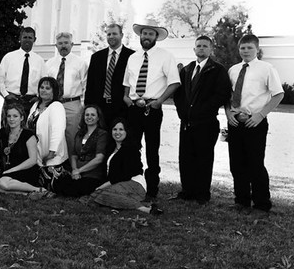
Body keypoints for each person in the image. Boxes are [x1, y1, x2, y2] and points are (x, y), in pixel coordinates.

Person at [225, 34, 284, 216]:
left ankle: (261, 204)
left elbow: (278, 94)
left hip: (255, 122)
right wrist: (228, 113)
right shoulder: (233, 70)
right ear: (239, 49)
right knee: (236, 164)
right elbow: (227, 96)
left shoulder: (267, 68)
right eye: (243, 48)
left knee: (255, 164)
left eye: (249, 48)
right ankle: (241, 201)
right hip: (235, 122)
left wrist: (260, 115)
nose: (246, 51)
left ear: (257, 49)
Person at [122, 23, 180, 200]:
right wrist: (126, 98)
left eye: (150, 34)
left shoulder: (165, 56)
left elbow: (175, 82)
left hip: (152, 108)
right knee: (132, 146)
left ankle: (152, 188)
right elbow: (126, 83)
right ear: (140, 36)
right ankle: (136, 183)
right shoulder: (133, 57)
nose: (146, 36)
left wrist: (160, 101)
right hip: (133, 108)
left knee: (152, 149)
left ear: (156, 37)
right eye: (144, 33)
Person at [173, 36, 231, 204]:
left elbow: (222, 94)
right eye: (199, 46)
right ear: (194, 49)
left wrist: (202, 110)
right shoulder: (187, 69)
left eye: (205, 46)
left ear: (210, 49)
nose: (201, 48)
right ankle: (187, 191)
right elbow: (179, 94)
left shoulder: (217, 70)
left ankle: (202, 194)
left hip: (206, 123)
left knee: (203, 159)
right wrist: (183, 112)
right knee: (185, 157)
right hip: (186, 122)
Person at [90, 118, 162, 215]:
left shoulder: (131, 148)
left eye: (121, 129)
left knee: (104, 194)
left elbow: (126, 174)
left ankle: (146, 209)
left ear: (126, 131)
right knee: (94, 197)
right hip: (117, 183)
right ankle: (136, 203)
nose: (117, 132)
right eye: (114, 129)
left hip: (134, 183)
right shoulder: (110, 148)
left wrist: (105, 185)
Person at [0, 102, 41, 194]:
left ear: (22, 118)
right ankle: (22, 193)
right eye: (9, 116)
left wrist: (12, 170)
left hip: (25, 171)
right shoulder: (3, 134)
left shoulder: (28, 135)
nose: (11, 119)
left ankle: (38, 190)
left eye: (15, 116)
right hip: (8, 173)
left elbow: (33, 160)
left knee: (3, 183)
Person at [45, 32, 88, 154]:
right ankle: (55, 165)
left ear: (72, 44)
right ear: (56, 45)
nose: (63, 46)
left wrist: (83, 106)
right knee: (54, 135)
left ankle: (71, 166)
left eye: (66, 43)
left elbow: (85, 85)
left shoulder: (80, 63)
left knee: (72, 137)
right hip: (53, 104)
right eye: (60, 43)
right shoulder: (49, 63)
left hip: (73, 105)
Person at [84, 23, 135, 126]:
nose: (111, 36)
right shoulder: (96, 57)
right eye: (109, 34)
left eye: (114, 34)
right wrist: (88, 106)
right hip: (99, 108)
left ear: (121, 35)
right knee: (101, 139)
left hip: (122, 108)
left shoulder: (132, 56)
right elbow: (90, 84)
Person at [53, 105, 109, 196]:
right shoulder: (80, 134)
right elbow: (74, 155)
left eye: (93, 115)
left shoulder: (102, 134)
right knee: (59, 184)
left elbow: (99, 158)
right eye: (87, 115)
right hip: (77, 173)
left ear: (98, 118)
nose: (89, 117)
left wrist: (80, 170)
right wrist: (75, 170)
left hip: (93, 174)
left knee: (75, 189)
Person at [27, 76, 68, 198]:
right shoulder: (35, 105)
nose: (43, 90)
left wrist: (51, 152)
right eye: (42, 87)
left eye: (47, 88)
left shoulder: (56, 106)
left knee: (53, 186)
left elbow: (58, 130)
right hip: (37, 154)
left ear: (54, 91)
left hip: (51, 157)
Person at [0, 27, 46, 117]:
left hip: (31, 102)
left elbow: (43, 81)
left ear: (34, 39)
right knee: (8, 129)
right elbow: (0, 79)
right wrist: (6, 95)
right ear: (20, 38)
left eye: (30, 38)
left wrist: (39, 97)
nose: (27, 40)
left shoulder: (39, 61)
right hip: (11, 99)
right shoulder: (9, 57)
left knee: (29, 129)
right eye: (25, 37)